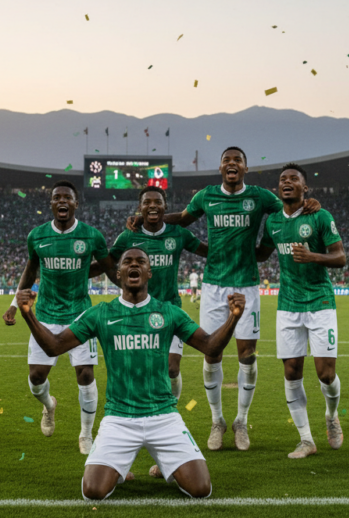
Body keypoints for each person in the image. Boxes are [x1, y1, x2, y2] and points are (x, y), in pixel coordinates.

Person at [126, 146, 320, 451]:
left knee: (247, 355)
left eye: (237, 160)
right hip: (213, 286)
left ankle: (241, 420)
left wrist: (308, 203)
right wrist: (149, 219)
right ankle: (217, 420)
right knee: (211, 353)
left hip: (247, 285)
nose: (232, 164)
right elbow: (183, 218)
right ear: (220, 168)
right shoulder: (206, 196)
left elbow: (288, 208)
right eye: (227, 160)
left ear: (245, 168)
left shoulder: (259, 196)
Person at [15, 247, 246, 499]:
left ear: (149, 273)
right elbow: (54, 345)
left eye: (140, 261)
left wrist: (233, 318)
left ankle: (162, 464)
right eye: (127, 261)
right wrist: (28, 314)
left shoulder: (168, 312)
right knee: (92, 491)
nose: (134, 264)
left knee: (202, 489)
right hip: (119, 418)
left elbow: (210, 346)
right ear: (118, 273)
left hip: (163, 416)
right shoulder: (101, 313)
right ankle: (120, 468)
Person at [2, 181, 117, 454]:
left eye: (68, 197)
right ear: (51, 204)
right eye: (57, 197)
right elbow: (31, 271)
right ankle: (49, 405)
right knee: (36, 379)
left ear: (76, 204)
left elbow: (110, 268)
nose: (62, 201)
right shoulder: (37, 236)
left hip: (80, 315)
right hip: (45, 315)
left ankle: (86, 434)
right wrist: (14, 304)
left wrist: (134, 295)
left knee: (85, 374)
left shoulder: (91, 236)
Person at [256, 164, 347, 458]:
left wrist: (312, 256)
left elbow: (341, 257)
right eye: (283, 179)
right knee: (291, 372)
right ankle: (306, 440)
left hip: (320, 302)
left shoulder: (320, 216)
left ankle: (331, 415)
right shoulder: (273, 222)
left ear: (305, 188)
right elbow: (261, 253)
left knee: (326, 374)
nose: (287, 182)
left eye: (294, 179)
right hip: (288, 306)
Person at [92, 185, 208, 401]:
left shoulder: (178, 233)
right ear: (140, 207)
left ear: (165, 206)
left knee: (171, 368)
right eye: (147, 202)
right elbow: (107, 263)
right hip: (137, 312)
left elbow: (207, 251)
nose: (152, 206)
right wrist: (79, 272)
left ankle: (171, 407)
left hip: (170, 310)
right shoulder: (128, 237)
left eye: (157, 202)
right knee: (142, 367)